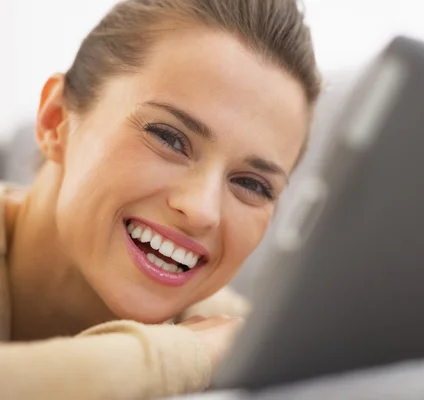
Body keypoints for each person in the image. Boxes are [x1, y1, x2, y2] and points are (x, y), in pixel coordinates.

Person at [0, 0, 320, 398]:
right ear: (56, 119)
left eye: (253, 185)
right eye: (169, 138)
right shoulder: (211, 350)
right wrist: (188, 356)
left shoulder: (246, 342)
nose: (201, 210)